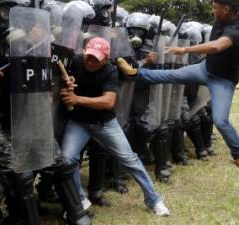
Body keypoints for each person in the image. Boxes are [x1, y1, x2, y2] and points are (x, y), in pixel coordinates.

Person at [117, 0, 239, 185]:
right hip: (206, 68)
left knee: (221, 120)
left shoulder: (234, 32)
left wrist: (184, 49)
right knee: (171, 75)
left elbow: (216, 46)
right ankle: (136, 72)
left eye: (215, 8)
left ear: (226, 9)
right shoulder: (223, 19)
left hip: (222, 81)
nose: (212, 11)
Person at [60, 37, 170, 216]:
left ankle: (154, 200)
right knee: (67, 159)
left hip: (105, 123)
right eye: (88, 56)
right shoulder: (76, 61)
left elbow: (108, 102)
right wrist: (67, 83)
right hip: (79, 122)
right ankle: (79, 199)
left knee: (130, 160)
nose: (90, 61)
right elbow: (63, 80)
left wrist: (77, 99)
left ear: (105, 59)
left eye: (95, 59)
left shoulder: (110, 71)